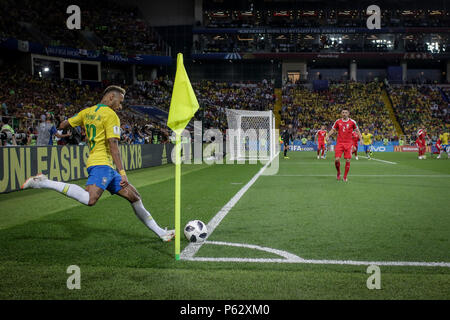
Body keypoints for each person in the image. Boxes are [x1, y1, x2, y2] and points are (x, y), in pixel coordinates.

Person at [22, 85, 175, 242]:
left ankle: (161, 233)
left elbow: (63, 125)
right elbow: (113, 145)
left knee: (135, 197)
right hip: (102, 164)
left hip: (103, 165)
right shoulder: (111, 115)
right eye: (120, 102)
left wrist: (79, 123)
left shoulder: (86, 112)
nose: (120, 106)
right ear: (110, 98)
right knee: (90, 199)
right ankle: (43, 182)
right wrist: (123, 173)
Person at [325, 109, 363, 182]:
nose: (344, 114)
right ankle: (338, 172)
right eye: (343, 112)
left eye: (346, 112)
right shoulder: (338, 121)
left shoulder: (352, 122)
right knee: (337, 159)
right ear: (341, 114)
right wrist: (327, 136)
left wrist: (361, 139)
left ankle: (345, 176)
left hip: (348, 143)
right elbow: (333, 130)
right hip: (339, 143)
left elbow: (357, 131)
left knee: (348, 159)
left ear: (348, 113)